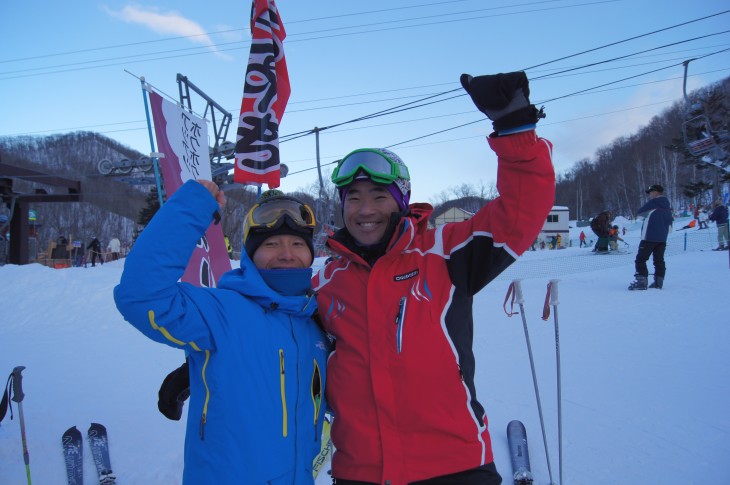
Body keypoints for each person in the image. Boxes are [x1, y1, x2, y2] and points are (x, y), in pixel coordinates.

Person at [312, 71, 555, 485]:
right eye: (353, 197)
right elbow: (275, 331)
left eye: (378, 196)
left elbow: (520, 212)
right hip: (360, 471)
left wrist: (514, 128)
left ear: (402, 201)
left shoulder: (445, 252)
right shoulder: (324, 282)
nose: (364, 209)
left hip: (455, 465)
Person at [114, 180, 329, 484]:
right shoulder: (220, 312)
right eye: (270, 244)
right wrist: (191, 207)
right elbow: (142, 296)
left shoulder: (316, 327)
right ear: (250, 255)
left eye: (297, 244)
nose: (286, 254)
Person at [628, 184, 673, 290]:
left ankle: (642, 282)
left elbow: (640, 213)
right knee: (659, 260)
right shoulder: (667, 207)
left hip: (649, 237)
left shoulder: (653, 203)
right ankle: (658, 282)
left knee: (641, 259)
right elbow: (670, 226)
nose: (649, 195)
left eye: (650, 193)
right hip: (662, 238)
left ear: (656, 192)